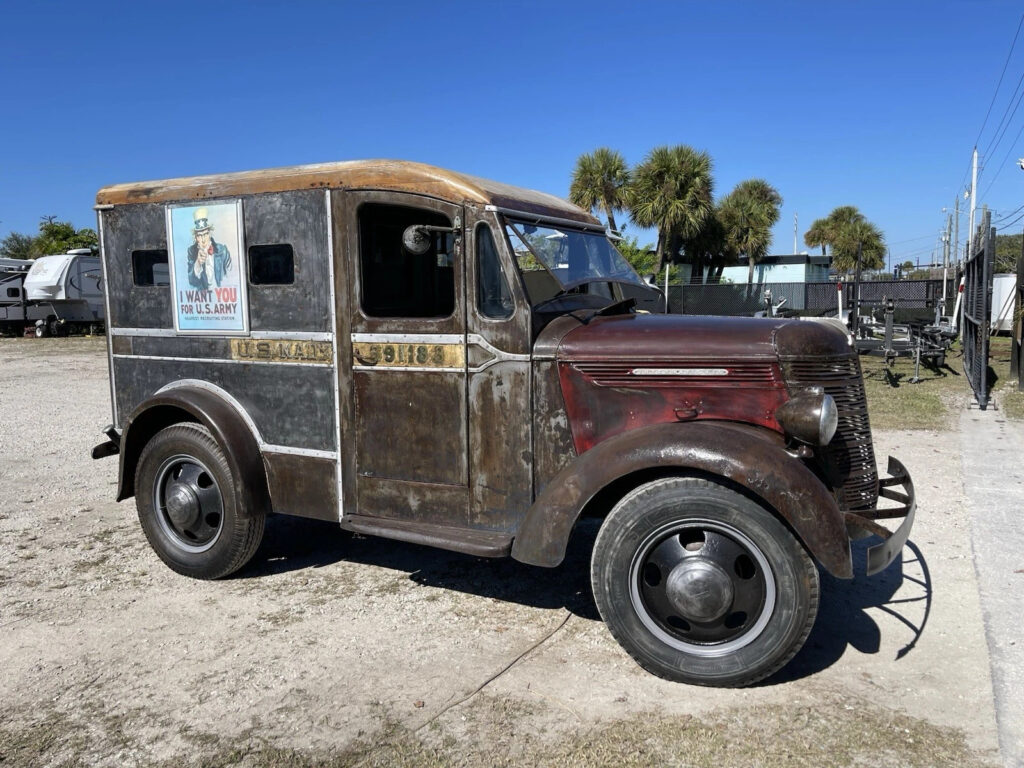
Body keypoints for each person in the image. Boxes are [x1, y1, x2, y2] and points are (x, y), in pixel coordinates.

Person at [186, 208, 232, 290]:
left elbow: (231, 277)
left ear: (209, 234)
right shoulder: (192, 252)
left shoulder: (223, 250)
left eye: (205, 234)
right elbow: (192, 281)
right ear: (196, 238)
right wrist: (198, 263)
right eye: (200, 235)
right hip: (204, 297)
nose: (203, 239)